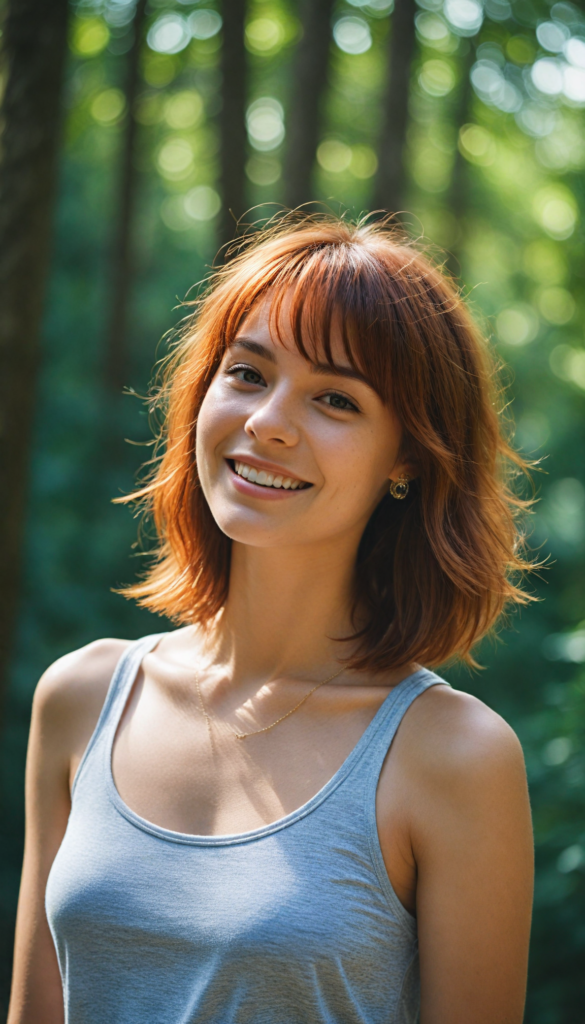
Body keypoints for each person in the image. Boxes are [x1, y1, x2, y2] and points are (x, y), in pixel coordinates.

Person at [8, 215, 535, 1024]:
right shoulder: (80, 697)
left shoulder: (454, 757)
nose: (267, 422)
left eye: (335, 399)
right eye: (248, 374)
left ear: (406, 457)